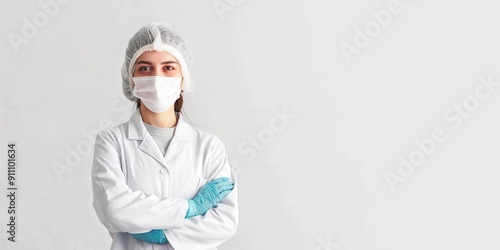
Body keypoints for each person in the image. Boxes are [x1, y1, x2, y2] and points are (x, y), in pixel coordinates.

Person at [91, 22, 239, 250]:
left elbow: (224, 222)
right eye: (145, 68)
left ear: (183, 79)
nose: (157, 78)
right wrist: (190, 208)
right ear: (131, 79)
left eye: (168, 68)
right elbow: (114, 209)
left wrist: (162, 233)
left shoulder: (209, 147)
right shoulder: (111, 142)